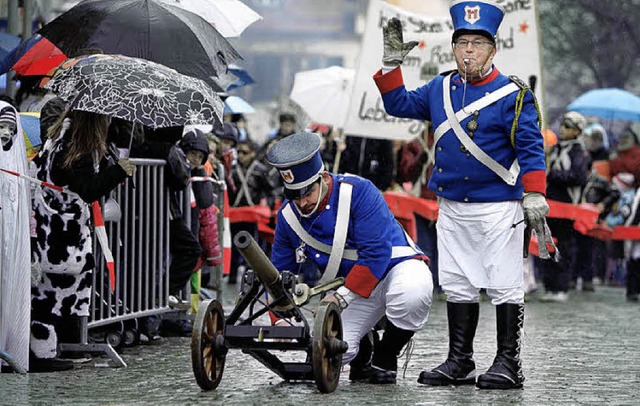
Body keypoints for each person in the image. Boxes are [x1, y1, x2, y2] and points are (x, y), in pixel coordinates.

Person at [373, 1, 549, 389]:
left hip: (499, 206)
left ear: (492, 49)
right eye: (462, 43)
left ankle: (508, 363)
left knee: (504, 283)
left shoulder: (512, 95)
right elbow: (397, 103)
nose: (469, 50)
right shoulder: (440, 88)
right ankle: (459, 360)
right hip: (451, 204)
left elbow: (531, 150)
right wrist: (390, 66)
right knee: (456, 283)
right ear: (453, 48)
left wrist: (534, 194)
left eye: (477, 43)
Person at [266, 132, 433, 384]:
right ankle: (363, 347)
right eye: (293, 195)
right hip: (350, 286)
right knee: (328, 352)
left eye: (306, 192)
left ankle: (387, 353)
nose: (301, 203)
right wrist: (280, 319)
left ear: (322, 178)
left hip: (392, 268)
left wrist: (340, 298)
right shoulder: (288, 217)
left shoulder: (359, 191)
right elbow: (278, 273)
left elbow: (377, 254)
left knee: (412, 293)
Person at [30, 110, 135, 371]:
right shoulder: (78, 151)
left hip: (50, 229)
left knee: (48, 293)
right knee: (52, 296)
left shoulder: (58, 140)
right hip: (63, 238)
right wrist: (119, 172)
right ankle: (42, 354)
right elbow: (87, 189)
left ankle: (48, 349)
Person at [539, 111, 589, 301]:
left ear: (577, 131)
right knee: (547, 244)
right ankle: (549, 285)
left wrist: (553, 175)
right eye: (562, 125)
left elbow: (578, 177)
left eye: (568, 127)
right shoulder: (554, 149)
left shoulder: (578, 151)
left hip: (566, 205)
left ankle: (561, 286)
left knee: (564, 246)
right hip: (550, 203)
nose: (562, 129)